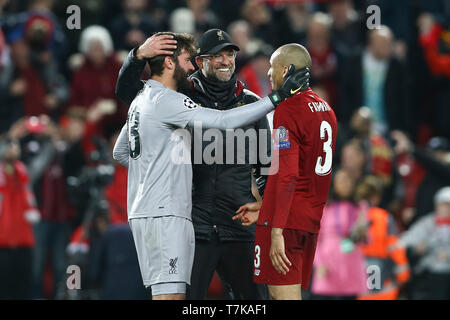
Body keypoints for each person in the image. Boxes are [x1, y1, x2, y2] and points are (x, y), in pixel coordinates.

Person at [112, 32, 310, 300]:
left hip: (238, 225)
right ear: (200, 61)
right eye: (216, 55)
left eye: (230, 54)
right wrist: (137, 57)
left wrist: (265, 210)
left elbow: (265, 168)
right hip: (193, 226)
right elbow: (128, 93)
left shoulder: (251, 103)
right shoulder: (177, 95)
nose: (225, 61)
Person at [233, 43, 337, 300]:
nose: (269, 73)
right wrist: (265, 207)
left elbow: (288, 174)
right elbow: (307, 174)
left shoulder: (287, 109)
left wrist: (276, 228)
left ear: (287, 69)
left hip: (286, 223)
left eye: (273, 67)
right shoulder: (326, 109)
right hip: (309, 221)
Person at [310, 168, 367, 300]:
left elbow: (365, 239)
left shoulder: (361, 206)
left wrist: (362, 232)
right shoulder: (325, 207)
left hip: (351, 265)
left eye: (349, 180)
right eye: (342, 180)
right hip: (329, 265)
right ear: (334, 184)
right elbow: (315, 239)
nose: (346, 184)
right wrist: (319, 263)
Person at [398, 186, 450, 299]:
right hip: (428, 271)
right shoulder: (427, 223)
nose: (446, 208)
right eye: (443, 204)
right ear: (436, 205)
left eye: (448, 205)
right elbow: (406, 241)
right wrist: (416, 248)